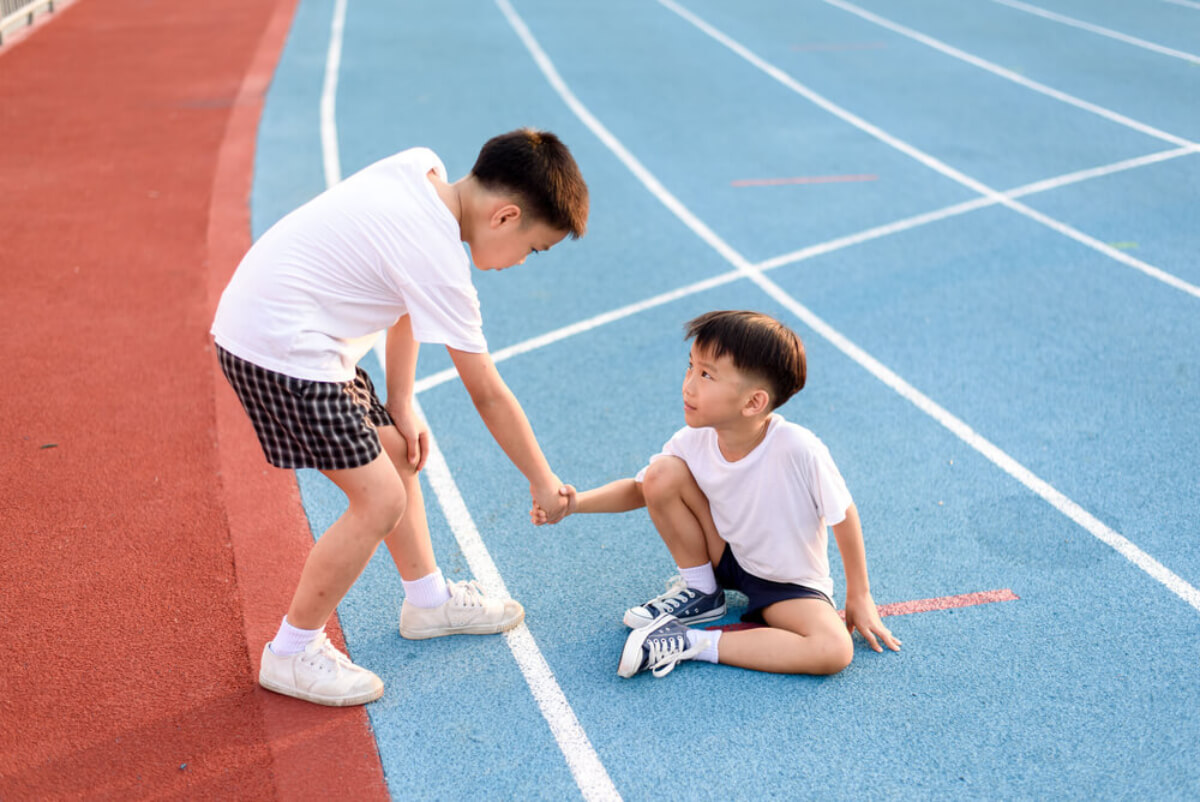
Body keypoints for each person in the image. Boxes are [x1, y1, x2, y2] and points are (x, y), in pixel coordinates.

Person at [212, 128, 588, 705]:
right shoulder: (439, 258)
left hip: (286, 329)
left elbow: (405, 298)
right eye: (534, 249)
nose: (524, 262)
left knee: (396, 447)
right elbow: (486, 392)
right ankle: (290, 652)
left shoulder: (421, 169)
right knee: (380, 500)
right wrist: (542, 479)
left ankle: (427, 601)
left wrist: (402, 401)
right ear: (507, 216)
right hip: (281, 348)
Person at [533, 310, 900, 679]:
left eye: (706, 375)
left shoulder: (799, 449)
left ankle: (689, 641)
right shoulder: (693, 439)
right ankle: (702, 592)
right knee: (662, 473)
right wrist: (575, 504)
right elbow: (640, 489)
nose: (688, 385)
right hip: (726, 554)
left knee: (834, 650)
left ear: (754, 403)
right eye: (690, 367)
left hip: (787, 586)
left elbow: (843, 514)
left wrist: (860, 594)